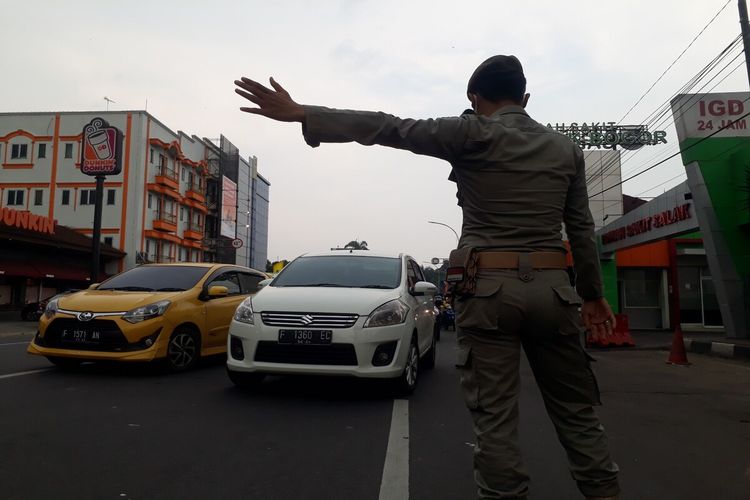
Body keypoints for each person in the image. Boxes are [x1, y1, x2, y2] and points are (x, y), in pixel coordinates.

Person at [234, 54, 620, 500]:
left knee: (495, 417)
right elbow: (581, 229)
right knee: (577, 412)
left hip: (489, 292)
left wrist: (305, 114)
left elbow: (387, 127)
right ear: (525, 98)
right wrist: (592, 295)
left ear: (474, 98)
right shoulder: (565, 149)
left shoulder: (469, 131)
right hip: (556, 293)